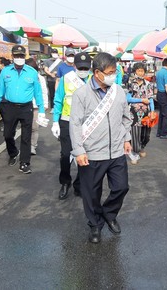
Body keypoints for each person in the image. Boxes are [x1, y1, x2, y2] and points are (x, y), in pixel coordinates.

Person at [69, 52, 132, 244]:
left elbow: (126, 118)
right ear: (97, 73)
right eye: (110, 72)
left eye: (115, 72)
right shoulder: (82, 94)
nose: (114, 75)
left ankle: (109, 214)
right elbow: (75, 123)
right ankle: (95, 224)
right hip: (92, 153)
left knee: (121, 187)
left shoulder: (118, 91)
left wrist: (127, 138)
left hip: (116, 152)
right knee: (91, 193)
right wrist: (78, 151)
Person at [0, 45, 45, 174]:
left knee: (26, 136)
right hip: (10, 106)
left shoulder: (32, 72)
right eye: (16, 56)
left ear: (25, 56)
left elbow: (38, 92)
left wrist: (42, 110)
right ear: (12, 56)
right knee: (8, 134)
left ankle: (24, 163)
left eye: (21, 56)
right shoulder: (6, 71)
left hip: (26, 107)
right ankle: (13, 153)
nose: (19, 58)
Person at [51, 52, 92, 200]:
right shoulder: (66, 79)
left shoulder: (94, 80)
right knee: (66, 155)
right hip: (67, 121)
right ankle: (65, 182)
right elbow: (58, 100)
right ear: (74, 66)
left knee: (86, 155)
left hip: (87, 123)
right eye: (80, 67)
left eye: (85, 68)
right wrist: (55, 121)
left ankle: (79, 185)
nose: (83, 70)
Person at [126, 62, 155, 164]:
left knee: (146, 134)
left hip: (145, 113)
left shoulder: (148, 84)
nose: (140, 72)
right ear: (135, 72)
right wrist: (141, 100)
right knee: (135, 134)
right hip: (134, 113)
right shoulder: (130, 83)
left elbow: (150, 99)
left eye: (142, 70)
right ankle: (135, 154)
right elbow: (128, 99)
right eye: (138, 70)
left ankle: (142, 147)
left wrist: (152, 111)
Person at [26, 58, 49, 155]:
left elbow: (44, 91)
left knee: (34, 127)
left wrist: (45, 104)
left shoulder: (40, 78)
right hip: (24, 105)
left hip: (36, 106)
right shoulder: (22, 77)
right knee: (26, 127)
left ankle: (32, 146)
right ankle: (25, 145)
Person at [155, 58, 167, 139]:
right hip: (165, 94)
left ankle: (159, 132)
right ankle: (164, 133)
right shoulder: (166, 73)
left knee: (162, 114)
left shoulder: (158, 72)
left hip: (159, 94)